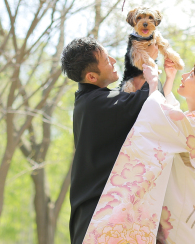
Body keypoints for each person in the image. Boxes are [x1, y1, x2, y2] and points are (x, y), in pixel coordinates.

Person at [83, 58, 195, 244]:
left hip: (186, 228)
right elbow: (171, 119)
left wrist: (154, 82)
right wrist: (168, 80)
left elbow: (163, 118)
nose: (185, 75)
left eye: (192, 75)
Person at [62, 36, 161, 244]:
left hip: (96, 219)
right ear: (91, 76)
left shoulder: (89, 102)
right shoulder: (97, 105)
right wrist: (150, 67)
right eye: (107, 60)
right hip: (99, 220)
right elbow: (149, 103)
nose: (114, 61)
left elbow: (130, 97)